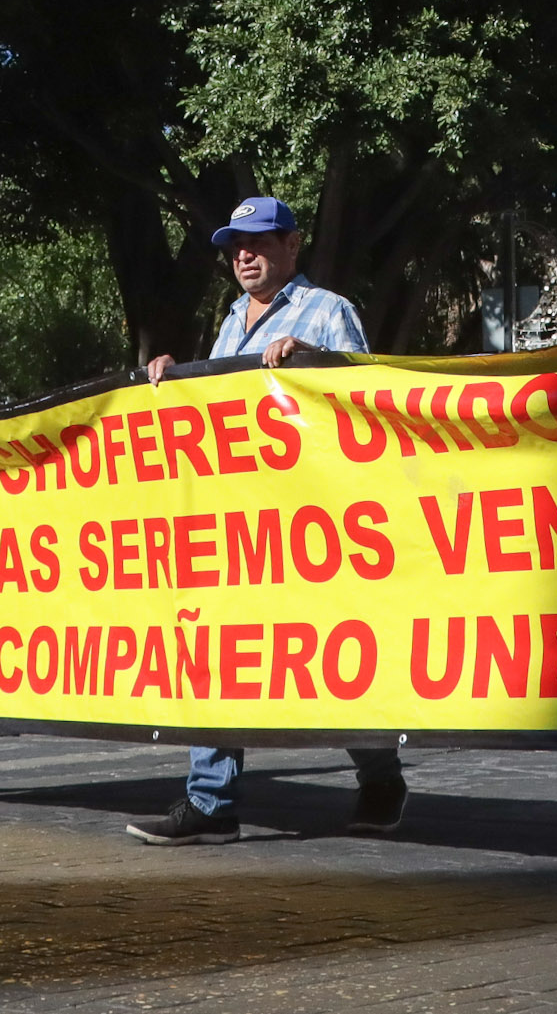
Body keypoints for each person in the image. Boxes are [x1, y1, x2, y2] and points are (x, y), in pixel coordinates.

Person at [124, 195, 394, 846]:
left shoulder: (328, 311)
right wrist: (176, 377)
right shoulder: (228, 327)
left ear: (292, 245)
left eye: (260, 240)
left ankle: (381, 776)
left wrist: (312, 362)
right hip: (241, 531)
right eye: (235, 244)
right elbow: (216, 413)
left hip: (313, 531)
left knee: (331, 664)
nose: (244, 254)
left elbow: (366, 402)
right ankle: (211, 800)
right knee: (213, 652)